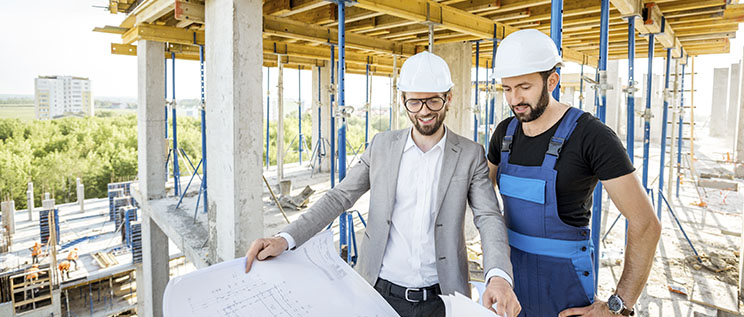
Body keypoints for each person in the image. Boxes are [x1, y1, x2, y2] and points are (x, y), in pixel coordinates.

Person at [245, 51, 520, 317]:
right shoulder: (381, 146)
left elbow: (488, 216)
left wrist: (497, 275)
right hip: (379, 292)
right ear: (402, 100)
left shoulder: (470, 154)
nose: (424, 111)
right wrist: (285, 238)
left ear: (448, 98)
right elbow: (339, 197)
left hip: (442, 298)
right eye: (415, 102)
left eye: (433, 101)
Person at [487, 29, 662, 317]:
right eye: (507, 89)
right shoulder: (504, 134)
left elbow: (645, 224)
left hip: (565, 293)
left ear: (552, 80)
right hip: (511, 285)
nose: (514, 98)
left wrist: (618, 306)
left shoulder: (591, 136)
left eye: (524, 87)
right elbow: (480, 199)